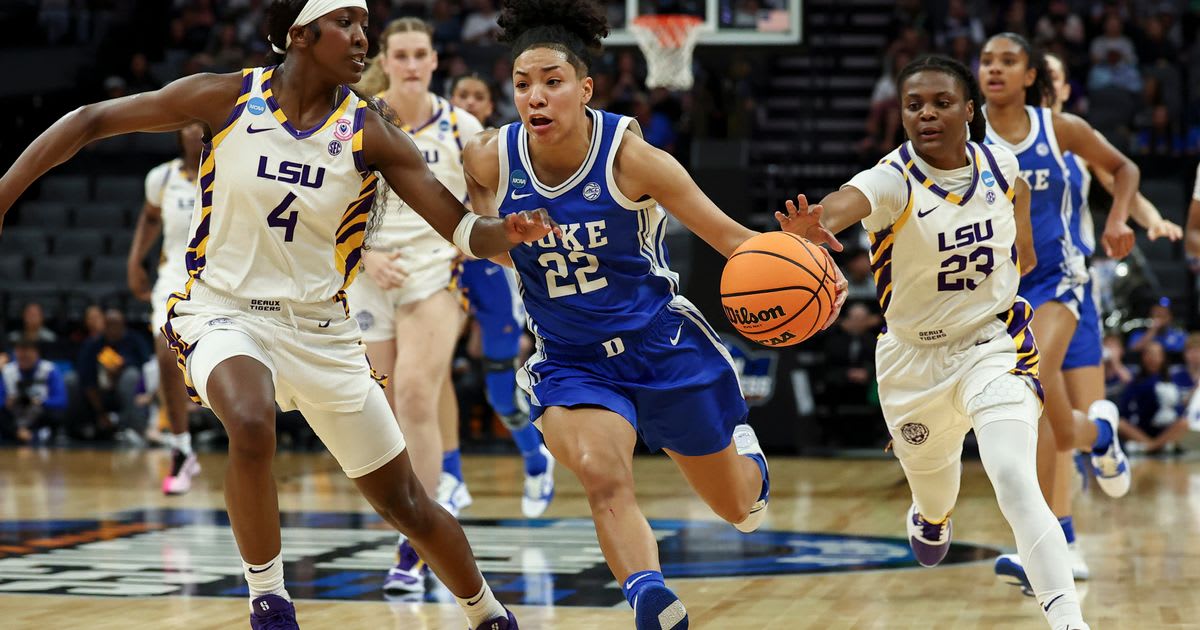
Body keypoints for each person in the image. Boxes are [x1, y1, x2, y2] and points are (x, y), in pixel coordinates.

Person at [0, 2, 559, 628]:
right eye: (345, 23)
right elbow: (89, 119)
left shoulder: (370, 132)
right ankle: (269, 600)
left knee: (407, 504)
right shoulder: (226, 98)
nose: (362, 37)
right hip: (223, 310)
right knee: (250, 420)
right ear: (299, 34)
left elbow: (462, 229)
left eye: (364, 24)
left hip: (321, 331)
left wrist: (507, 231)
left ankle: (488, 613)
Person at [462, 1, 844, 627]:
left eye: (553, 81)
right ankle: (650, 597)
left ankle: (746, 455)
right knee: (600, 472)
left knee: (738, 510)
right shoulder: (489, 158)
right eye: (523, 84)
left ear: (585, 88)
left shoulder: (632, 159)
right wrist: (508, 240)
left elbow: (732, 240)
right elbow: (485, 237)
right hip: (572, 361)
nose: (536, 97)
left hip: (661, 346)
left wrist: (799, 252)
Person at [787, 54, 1090, 630]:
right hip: (912, 363)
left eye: (942, 102)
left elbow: (1019, 197)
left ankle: (1068, 618)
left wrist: (1022, 249)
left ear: (970, 111)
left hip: (992, 345)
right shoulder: (891, 179)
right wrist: (819, 223)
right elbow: (847, 202)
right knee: (934, 493)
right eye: (914, 105)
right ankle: (931, 516)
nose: (927, 113)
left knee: (1013, 475)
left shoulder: (1000, 164)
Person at [993, 50, 1182, 587]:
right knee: (1047, 418)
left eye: (1054, 74)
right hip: (1017, 292)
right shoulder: (993, 139)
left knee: (1052, 415)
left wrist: (1150, 219)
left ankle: (1091, 455)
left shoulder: (1070, 137)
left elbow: (1123, 178)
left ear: (1056, 84)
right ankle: (1065, 531)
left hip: (1071, 290)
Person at [351, 17, 504, 594]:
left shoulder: (463, 127)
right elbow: (331, 203)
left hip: (436, 273)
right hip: (368, 276)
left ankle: (416, 544)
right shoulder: (357, 118)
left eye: (421, 54)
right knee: (384, 409)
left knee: (417, 393)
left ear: (436, 60)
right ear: (386, 60)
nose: (412, 64)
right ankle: (423, 507)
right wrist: (365, 256)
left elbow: (485, 211)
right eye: (402, 55)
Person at [978, 35, 1135, 530]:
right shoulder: (967, 134)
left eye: (1007, 61)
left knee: (1037, 377)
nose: (994, 69)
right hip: (997, 290)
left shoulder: (1058, 127)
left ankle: (1052, 533)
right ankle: (1099, 437)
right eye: (986, 61)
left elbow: (1124, 168)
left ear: (1030, 76)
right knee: (1050, 421)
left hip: (1058, 278)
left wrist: (1118, 220)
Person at [450, 72, 556, 520]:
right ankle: (448, 477)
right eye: (462, 95)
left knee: (499, 390)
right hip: (440, 267)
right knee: (425, 376)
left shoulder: (503, 148)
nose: (470, 102)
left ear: (490, 105)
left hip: (490, 269)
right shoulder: (429, 138)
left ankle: (536, 459)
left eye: (478, 96)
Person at [128, 122, 205, 495]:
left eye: (199, 123)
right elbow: (150, 218)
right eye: (187, 123)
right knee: (164, 346)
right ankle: (181, 447)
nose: (193, 130)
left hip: (223, 278)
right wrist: (134, 260)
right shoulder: (162, 177)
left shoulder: (231, 167)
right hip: (174, 278)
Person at [77, 308, 151, 444]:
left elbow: (147, 368)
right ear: (104, 325)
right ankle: (80, 428)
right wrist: (101, 412)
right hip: (100, 391)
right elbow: (86, 378)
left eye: (116, 324)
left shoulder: (135, 340)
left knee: (131, 376)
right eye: (109, 324)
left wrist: (121, 369)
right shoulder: (93, 345)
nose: (113, 328)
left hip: (134, 392)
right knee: (72, 380)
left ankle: (137, 428)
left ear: (123, 324)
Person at [1118, 341, 1189, 454]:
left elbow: (1178, 409)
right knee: (1120, 424)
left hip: (1165, 430)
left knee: (1184, 423)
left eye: (1157, 354)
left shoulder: (1173, 381)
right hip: (1141, 430)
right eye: (1149, 354)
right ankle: (1157, 446)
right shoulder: (1134, 382)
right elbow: (1125, 410)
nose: (1153, 358)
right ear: (1143, 357)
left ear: (1163, 358)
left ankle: (1151, 447)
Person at [0, 340, 67, 444]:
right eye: (20, 357)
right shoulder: (7, 371)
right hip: (14, 419)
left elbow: (61, 401)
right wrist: (8, 402)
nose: (24, 359)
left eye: (27, 356)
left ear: (37, 353)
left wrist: (40, 402)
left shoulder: (49, 370)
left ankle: (41, 435)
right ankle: (18, 434)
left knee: (56, 414)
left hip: (39, 416)